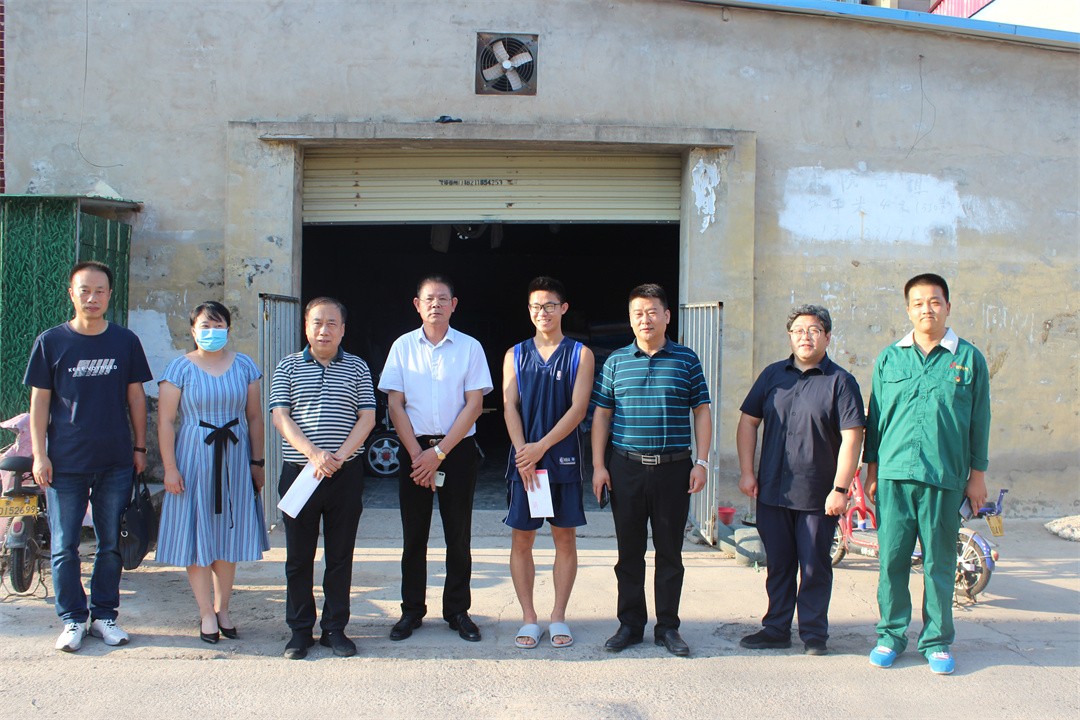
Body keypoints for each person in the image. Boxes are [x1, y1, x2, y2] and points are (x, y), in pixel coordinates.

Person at [864, 273, 990, 675]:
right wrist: (871, 469)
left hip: (944, 477)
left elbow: (980, 421)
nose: (927, 309)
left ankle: (936, 640)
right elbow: (876, 418)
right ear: (908, 310)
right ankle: (890, 635)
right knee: (893, 562)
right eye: (918, 303)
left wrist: (977, 476)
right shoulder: (890, 358)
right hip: (894, 477)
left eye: (934, 302)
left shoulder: (968, 359)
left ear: (948, 307)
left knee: (939, 563)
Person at [24, 261, 152, 652]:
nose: (92, 298)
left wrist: (140, 448)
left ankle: (104, 616)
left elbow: (136, 398)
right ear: (72, 294)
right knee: (65, 546)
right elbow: (39, 404)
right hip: (64, 464)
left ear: (109, 295)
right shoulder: (51, 342)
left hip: (115, 461)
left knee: (110, 543)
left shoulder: (125, 341)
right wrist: (40, 455)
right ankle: (72, 619)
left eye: (99, 291)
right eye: (84, 290)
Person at [736, 304, 865, 656]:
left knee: (814, 566)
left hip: (818, 495)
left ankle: (814, 634)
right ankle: (775, 629)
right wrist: (747, 472)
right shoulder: (772, 375)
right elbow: (748, 422)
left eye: (813, 330)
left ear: (827, 336)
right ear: (790, 337)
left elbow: (852, 437)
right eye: (798, 331)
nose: (805, 337)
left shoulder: (841, 382)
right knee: (778, 565)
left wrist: (840, 488)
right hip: (772, 491)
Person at [591, 283, 711, 657]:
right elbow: (602, 415)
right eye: (637, 313)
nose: (645, 319)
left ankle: (668, 627)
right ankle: (630, 625)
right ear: (631, 319)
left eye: (652, 311)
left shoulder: (686, 360)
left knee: (670, 553)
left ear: (666, 316)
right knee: (628, 552)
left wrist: (702, 461)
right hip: (625, 468)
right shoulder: (615, 362)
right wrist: (598, 466)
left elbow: (701, 410)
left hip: (673, 469)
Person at [379, 275, 492, 643]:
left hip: (456, 451)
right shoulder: (402, 347)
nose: (436, 305)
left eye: (443, 298)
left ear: (454, 305)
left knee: (458, 535)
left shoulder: (470, 347)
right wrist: (419, 456)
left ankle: (457, 610)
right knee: (414, 536)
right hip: (414, 451)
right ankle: (411, 610)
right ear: (417, 305)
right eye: (429, 299)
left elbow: (474, 405)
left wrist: (439, 453)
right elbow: (395, 404)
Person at [156, 301, 270, 644]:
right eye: (205, 326)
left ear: (228, 329)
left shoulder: (245, 366)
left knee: (227, 533)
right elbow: (166, 421)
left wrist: (257, 462)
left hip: (234, 456)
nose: (211, 332)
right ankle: (206, 611)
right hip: (194, 456)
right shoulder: (179, 368)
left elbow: (254, 417)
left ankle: (224, 608)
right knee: (197, 532)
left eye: (218, 325)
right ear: (193, 330)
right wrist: (170, 468)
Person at [269, 297, 376, 659]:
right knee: (298, 558)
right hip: (300, 474)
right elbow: (280, 416)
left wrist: (338, 457)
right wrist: (314, 454)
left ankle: (334, 629)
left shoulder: (358, 367)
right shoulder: (287, 366)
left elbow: (367, 417)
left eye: (332, 323)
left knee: (340, 556)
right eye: (317, 322)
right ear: (306, 327)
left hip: (344, 475)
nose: (324, 330)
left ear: (343, 329)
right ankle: (300, 631)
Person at [502, 277, 595, 649]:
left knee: (564, 539)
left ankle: (558, 616)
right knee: (522, 539)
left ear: (563, 308)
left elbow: (579, 409)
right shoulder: (514, 354)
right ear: (529, 310)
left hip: (562, 461)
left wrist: (541, 446)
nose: (543, 312)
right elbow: (509, 406)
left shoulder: (580, 354)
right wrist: (523, 451)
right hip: (526, 463)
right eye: (536, 306)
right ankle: (529, 618)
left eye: (550, 305)